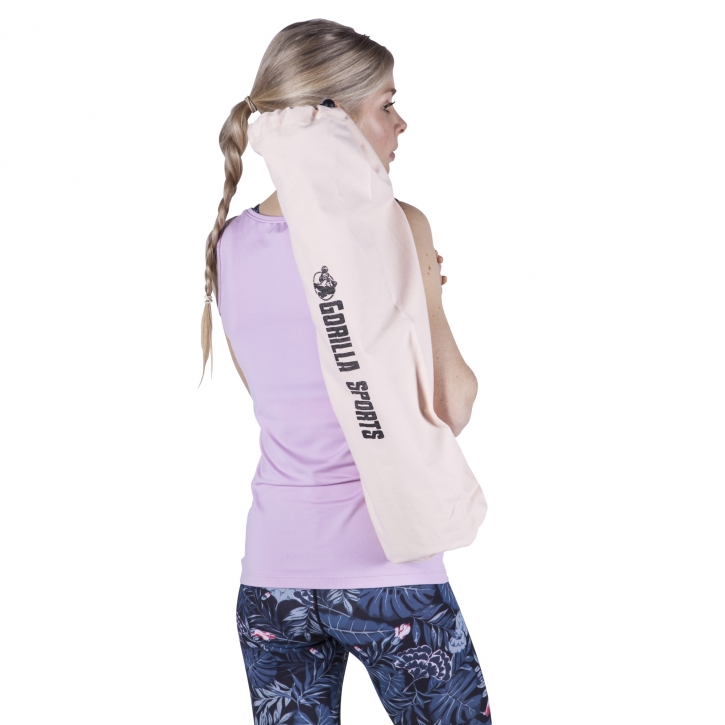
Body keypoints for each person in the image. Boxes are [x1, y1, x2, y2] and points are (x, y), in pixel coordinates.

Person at [199, 19, 492, 725]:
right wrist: (430, 295)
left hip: (271, 579)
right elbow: (450, 406)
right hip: (388, 573)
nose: (401, 124)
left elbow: (284, 403)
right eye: (386, 104)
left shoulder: (230, 244)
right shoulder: (401, 227)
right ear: (329, 119)